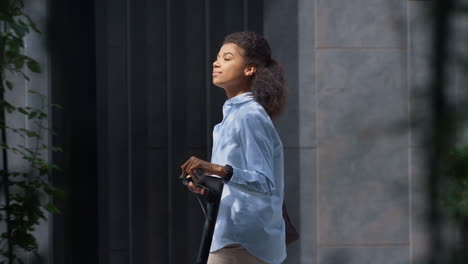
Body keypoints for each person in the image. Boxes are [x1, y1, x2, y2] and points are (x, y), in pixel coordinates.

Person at [180, 31, 287, 264]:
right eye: (218, 57)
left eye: (227, 58)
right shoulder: (232, 116)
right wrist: (206, 184)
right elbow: (236, 181)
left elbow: (265, 181)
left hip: (243, 241)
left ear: (249, 69)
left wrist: (217, 169)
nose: (216, 62)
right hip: (231, 235)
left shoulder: (249, 115)